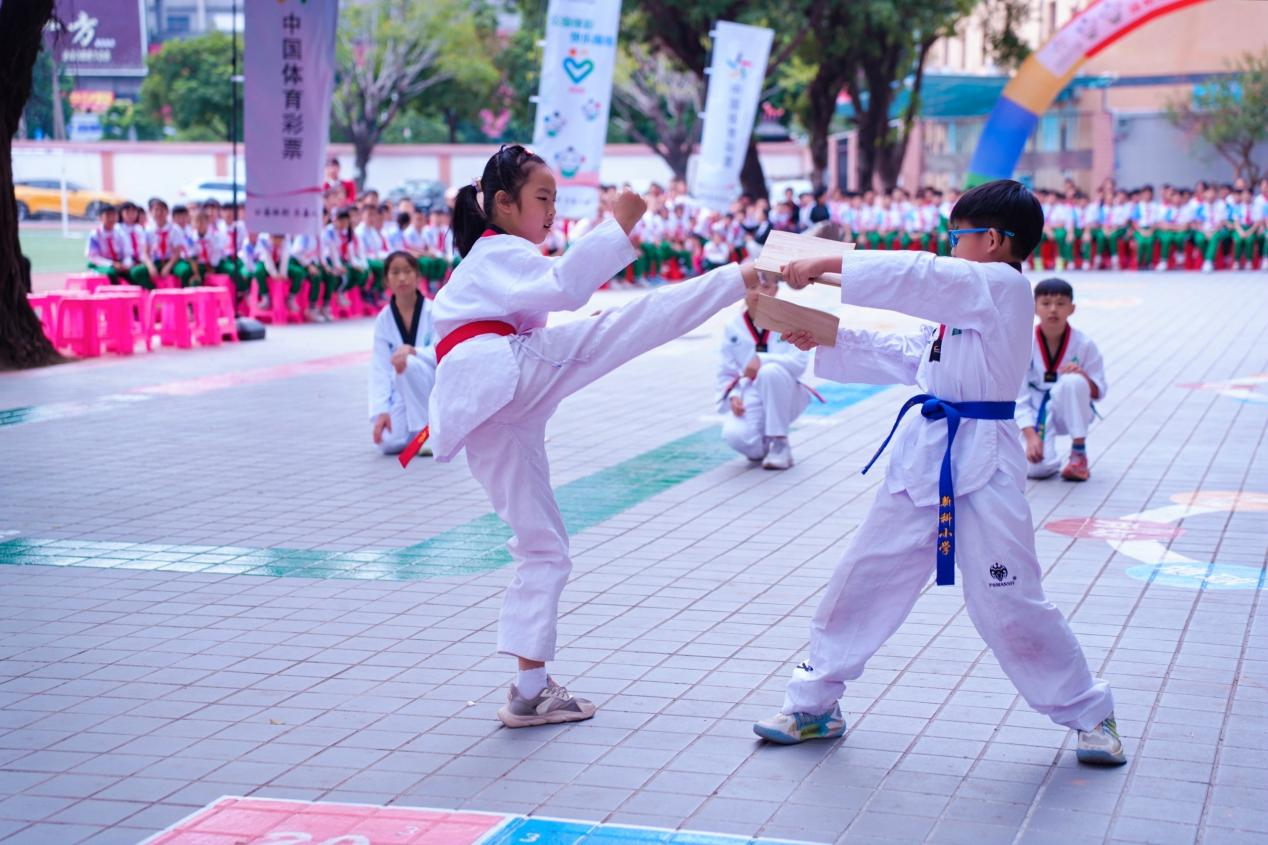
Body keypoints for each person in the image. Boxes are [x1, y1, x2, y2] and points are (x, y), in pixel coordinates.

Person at [752, 179, 1125, 767]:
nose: (951, 246)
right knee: (864, 576)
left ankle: (1088, 710)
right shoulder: (958, 311)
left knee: (1007, 598)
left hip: (986, 461)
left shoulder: (1001, 287)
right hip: (924, 456)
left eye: (959, 236)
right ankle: (813, 702)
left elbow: (920, 277)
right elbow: (905, 348)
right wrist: (823, 332)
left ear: (996, 241)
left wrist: (827, 261)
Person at [422, 144, 768, 728]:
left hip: (489, 409)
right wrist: (623, 221)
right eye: (542, 198)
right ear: (503, 205)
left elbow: (552, 285)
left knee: (544, 547)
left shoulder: (495, 255)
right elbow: (565, 285)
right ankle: (742, 276)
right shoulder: (496, 250)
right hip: (499, 377)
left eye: (555, 198)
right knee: (625, 326)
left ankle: (529, 688)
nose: (552, 211)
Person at [1016, 278, 1106, 481]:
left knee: (1073, 381)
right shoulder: (1023, 342)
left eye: (1061, 303)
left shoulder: (1084, 344)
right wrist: (1031, 436)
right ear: (1034, 307)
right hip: (1035, 411)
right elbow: (1017, 396)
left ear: (1072, 308)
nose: (1053, 310)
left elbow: (1099, 390)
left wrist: (1082, 376)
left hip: (1070, 409)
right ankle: (1052, 459)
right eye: (1046, 303)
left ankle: (1078, 453)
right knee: (1035, 469)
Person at [716, 294, 811, 470]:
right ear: (742, 290)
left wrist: (763, 359)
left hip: (785, 390)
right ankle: (767, 444)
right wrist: (734, 396)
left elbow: (799, 363)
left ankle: (780, 443)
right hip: (750, 392)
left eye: (765, 286)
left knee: (769, 372)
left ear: (775, 288)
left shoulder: (790, 320)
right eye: (752, 286)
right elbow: (726, 371)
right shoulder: (733, 326)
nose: (758, 292)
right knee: (736, 436)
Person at [370, 251, 437, 455]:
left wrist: (414, 351)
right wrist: (381, 411)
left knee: (408, 362)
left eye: (408, 271)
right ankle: (428, 430)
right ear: (386, 280)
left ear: (417, 276)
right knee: (387, 442)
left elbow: (443, 351)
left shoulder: (434, 310)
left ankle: (427, 432)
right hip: (402, 391)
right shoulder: (384, 319)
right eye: (395, 272)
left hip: (431, 385)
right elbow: (379, 368)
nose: (402, 278)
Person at [85, 204, 143, 286]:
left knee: (135, 273)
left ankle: (137, 295)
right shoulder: (95, 234)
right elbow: (93, 256)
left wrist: (126, 264)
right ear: (100, 218)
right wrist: (111, 264)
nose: (111, 218)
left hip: (119, 264)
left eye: (113, 215)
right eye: (108, 215)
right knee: (111, 273)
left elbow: (127, 252)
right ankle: (115, 294)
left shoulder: (120, 232)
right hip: (102, 264)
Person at [147, 198, 193, 286]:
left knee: (185, 271)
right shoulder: (148, 230)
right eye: (156, 210)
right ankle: (151, 293)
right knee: (138, 272)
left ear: (167, 212)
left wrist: (168, 266)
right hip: (156, 261)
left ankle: (184, 296)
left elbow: (177, 252)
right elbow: (145, 252)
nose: (159, 213)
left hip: (172, 260)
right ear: (151, 212)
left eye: (162, 210)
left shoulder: (175, 229)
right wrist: (150, 266)